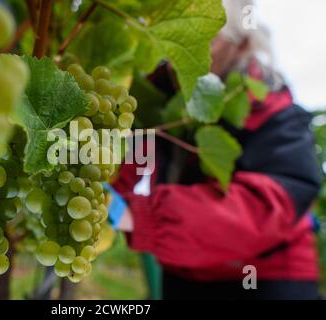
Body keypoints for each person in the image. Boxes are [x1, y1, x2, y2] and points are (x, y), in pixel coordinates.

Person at [107, 0, 322, 300]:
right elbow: (130, 154)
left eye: (205, 35)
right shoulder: (163, 92)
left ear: (239, 43)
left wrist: (144, 216)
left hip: (266, 279)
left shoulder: (270, 105)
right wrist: (97, 185)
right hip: (183, 270)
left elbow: (269, 205)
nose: (177, 45)